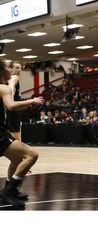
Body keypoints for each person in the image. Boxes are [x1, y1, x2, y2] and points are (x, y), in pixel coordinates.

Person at [0, 57, 45, 209]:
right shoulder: (4, 88)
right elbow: (11, 105)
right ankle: (8, 191)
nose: (11, 70)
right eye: (8, 67)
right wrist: (32, 101)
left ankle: (10, 190)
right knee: (31, 155)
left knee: (19, 159)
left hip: (3, 131)